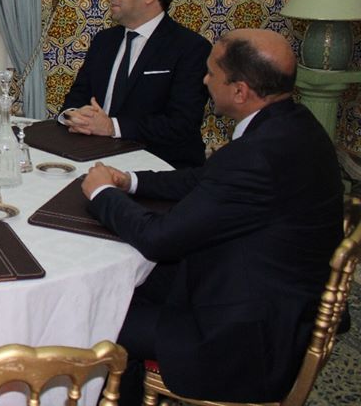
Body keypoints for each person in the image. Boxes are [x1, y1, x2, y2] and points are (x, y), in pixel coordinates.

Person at [81, 29, 343, 405]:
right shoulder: (293, 124)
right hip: (263, 287)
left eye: (211, 74)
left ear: (239, 91)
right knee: (127, 285)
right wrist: (131, 181)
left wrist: (102, 193)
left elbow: (160, 238)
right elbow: (204, 178)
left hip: (240, 333)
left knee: (95, 313)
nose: (204, 81)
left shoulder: (257, 157)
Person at [60, 0, 211, 167]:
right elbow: (76, 97)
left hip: (160, 168)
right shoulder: (104, 41)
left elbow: (181, 123)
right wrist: (74, 115)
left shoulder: (191, 48)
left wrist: (113, 127)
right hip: (94, 159)